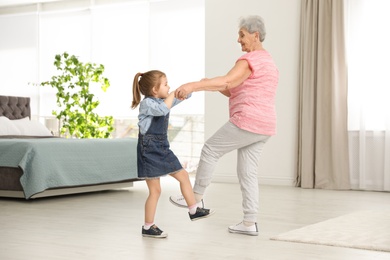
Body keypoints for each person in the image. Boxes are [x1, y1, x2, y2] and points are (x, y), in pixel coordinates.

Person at [169, 15, 279, 236]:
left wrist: (193, 85)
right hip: (265, 126)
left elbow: (228, 80)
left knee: (210, 150)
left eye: (242, 35)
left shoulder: (249, 60)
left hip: (248, 120)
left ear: (255, 35)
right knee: (248, 173)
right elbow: (231, 88)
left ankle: (195, 197)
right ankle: (249, 222)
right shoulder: (269, 62)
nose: (238, 40)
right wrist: (211, 84)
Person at [132, 70, 214, 238]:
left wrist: (188, 89)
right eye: (165, 84)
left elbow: (177, 99)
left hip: (161, 147)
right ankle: (148, 227)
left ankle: (193, 210)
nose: (169, 87)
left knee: (183, 176)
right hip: (149, 150)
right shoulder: (148, 103)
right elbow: (162, 110)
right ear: (155, 90)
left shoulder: (163, 100)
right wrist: (171, 95)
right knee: (155, 191)